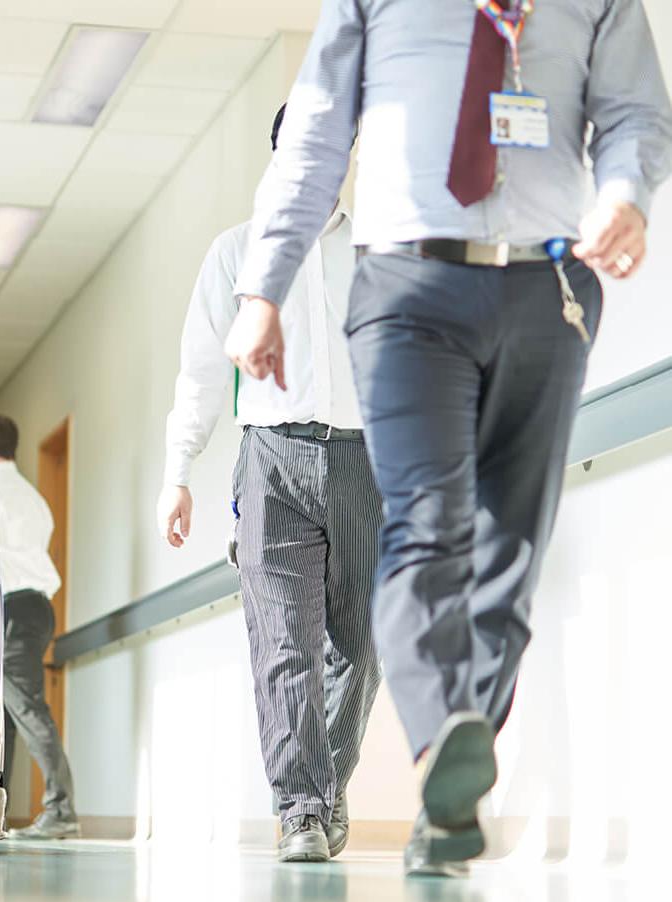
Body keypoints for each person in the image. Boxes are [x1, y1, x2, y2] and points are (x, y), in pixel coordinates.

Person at [225, 0, 672, 876]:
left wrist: (625, 192)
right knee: (426, 526)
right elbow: (316, 134)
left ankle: (450, 789)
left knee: (512, 546)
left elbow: (632, 111)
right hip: (407, 287)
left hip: (549, 288)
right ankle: (439, 750)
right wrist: (261, 289)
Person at [157, 106, 383, 862]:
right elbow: (198, 370)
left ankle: (323, 786)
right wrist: (176, 474)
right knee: (284, 644)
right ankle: (300, 810)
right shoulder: (237, 252)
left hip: (365, 460)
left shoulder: (379, 247)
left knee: (361, 644)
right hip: (271, 459)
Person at [0, 416, 79, 840]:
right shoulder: (33, 497)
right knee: (8, 715)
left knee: (27, 709)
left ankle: (61, 809)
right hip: (37, 606)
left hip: (12, 607)